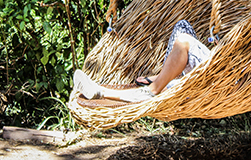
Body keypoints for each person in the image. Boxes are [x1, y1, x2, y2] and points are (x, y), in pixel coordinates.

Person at [73, 20, 211, 103]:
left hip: (214, 77)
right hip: (214, 64)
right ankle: (166, 76)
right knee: (182, 26)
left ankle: (101, 92)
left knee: (183, 41)